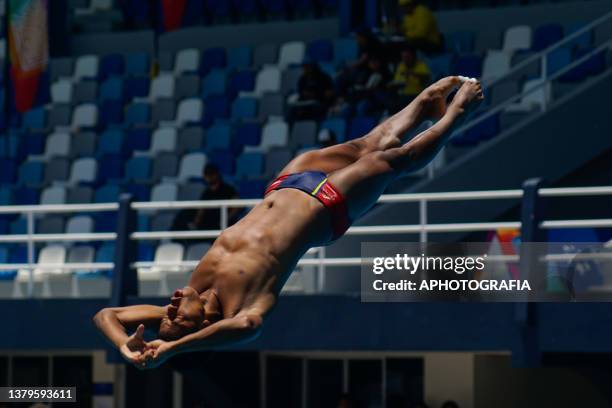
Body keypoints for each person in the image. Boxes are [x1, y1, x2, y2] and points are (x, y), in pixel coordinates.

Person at [93, 76, 483, 369]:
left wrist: (124, 346)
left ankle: (425, 104)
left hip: (284, 186)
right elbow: (249, 328)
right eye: (178, 317)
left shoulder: (186, 301)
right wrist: (174, 348)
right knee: (391, 160)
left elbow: (105, 316)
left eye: (170, 313)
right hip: (325, 209)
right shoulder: (242, 307)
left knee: (368, 142)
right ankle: (455, 115)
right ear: (201, 326)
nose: (173, 304)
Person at [170, 163, 240, 237]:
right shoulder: (206, 192)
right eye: (206, 175)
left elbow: (236, 207)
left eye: (211, 174)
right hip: (208, 222)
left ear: (217, 174)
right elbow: (201, 210)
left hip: (223, 222)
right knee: (184, 214)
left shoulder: (228, 190)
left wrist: (226, 219)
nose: (208, 177)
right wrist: (196, 223)